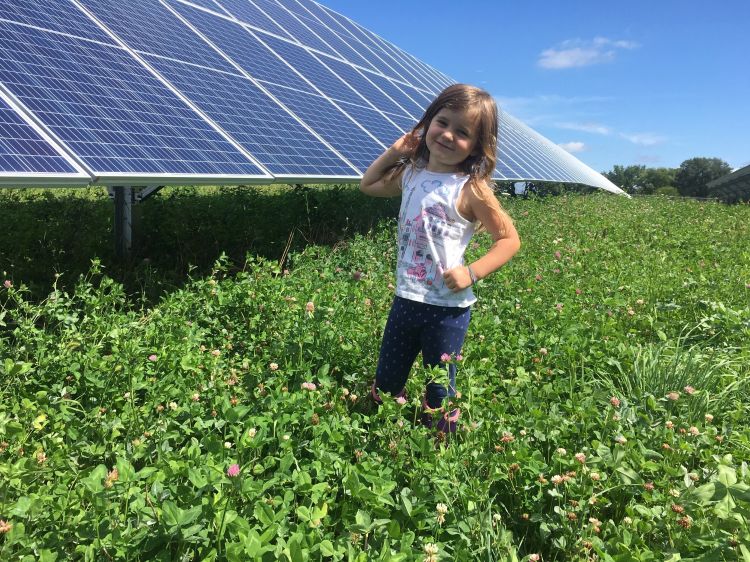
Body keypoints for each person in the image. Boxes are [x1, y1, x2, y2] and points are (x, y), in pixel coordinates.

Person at [360, 84, 521, 434]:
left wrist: (473, 272)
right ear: (427, 122)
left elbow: (509, 239)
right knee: (387, 380)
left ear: (477, 145)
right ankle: (390, 432)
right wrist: (395, 152)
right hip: (406, 298)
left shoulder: (471, 188)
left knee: (439, 386)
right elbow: (368, 185)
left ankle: (437, 446)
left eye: (462, 132)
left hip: (448, 309)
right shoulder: (410, 174)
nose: (447, 135)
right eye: (442, 122)